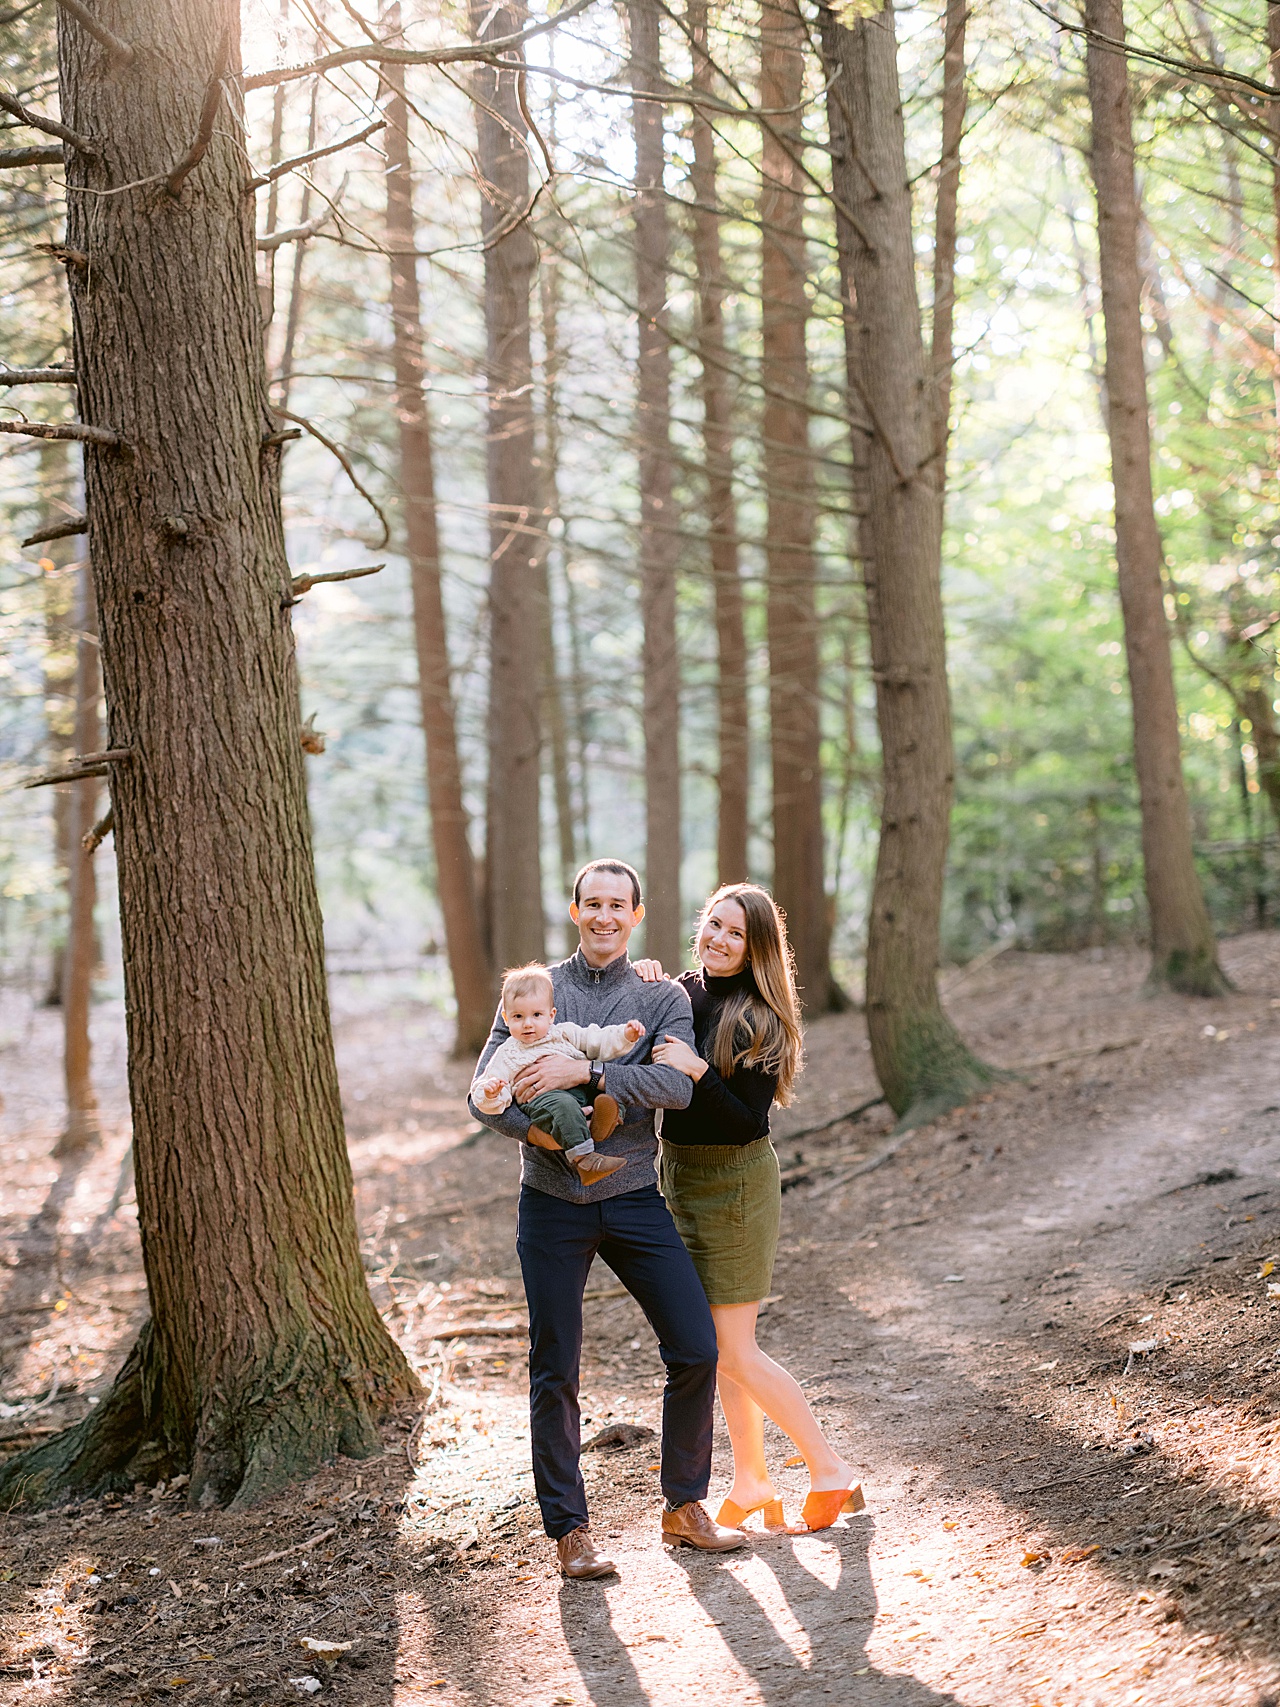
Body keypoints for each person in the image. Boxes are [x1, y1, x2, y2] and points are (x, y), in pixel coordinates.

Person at [468, 859, 745, 1579]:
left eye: (617, 905)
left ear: (637, 915)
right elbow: (482, 1094)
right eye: (592, 903)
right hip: (551, 1202)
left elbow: (673, 1088)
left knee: (696, 1345)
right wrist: (533, 1133)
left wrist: (586, 1074)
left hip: (631, 1195)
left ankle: (685, 1506)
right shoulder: (537, 990)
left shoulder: (657, 994)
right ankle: (570, 1530)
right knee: (554, 1367)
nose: (604, 916)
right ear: (574, 909)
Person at [637, 882, 865, 1533]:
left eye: (735, 933)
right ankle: (752, 1480)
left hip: (736, 1187)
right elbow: (640, 1017)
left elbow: (743, 1122)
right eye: (714, 924)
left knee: (729, 1349)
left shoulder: (761, 1016)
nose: (718, 939)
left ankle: (828, 1468)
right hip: (678, 1176)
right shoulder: (683, 989)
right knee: (720, 1348)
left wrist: (697, 1071)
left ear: (757, 946)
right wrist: (645, 979)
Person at [469, 962, 645, 1184]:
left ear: (551, 1015)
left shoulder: (564, 1032)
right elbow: (487, 1086)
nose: (528, 1024)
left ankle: (606, 1119)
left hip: (580, 1089)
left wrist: (624, 1035)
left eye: (536, 1014)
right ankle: (585, 1161)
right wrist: (492, 1093)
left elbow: (596, 1039)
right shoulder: (508, 1052)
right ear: (506, 1018)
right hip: (544, 1100)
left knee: (608, 1089)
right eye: (518, 1017)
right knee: (564, 1106)